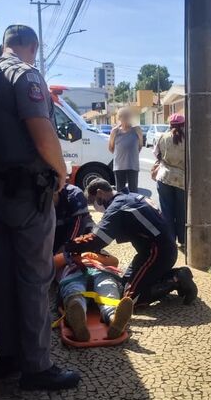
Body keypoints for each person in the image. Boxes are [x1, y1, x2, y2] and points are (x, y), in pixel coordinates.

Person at [0, 24, 80, 391]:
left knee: (3, 272)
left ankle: (10, 357)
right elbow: (41, 130)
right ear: (32, 47)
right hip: (26, 193)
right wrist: (62, 173)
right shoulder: (25, 74)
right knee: (34, 276)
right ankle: (36, 367)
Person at [62, 179, 198, 305]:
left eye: (93, 202)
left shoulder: (118, 207)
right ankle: (165, 277)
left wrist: (68, 246)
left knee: (129, 299)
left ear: (99, 193)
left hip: (157, 254)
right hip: (153, 251)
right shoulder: (129, 197)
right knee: (123, 285)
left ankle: (176, 278)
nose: (94, 206)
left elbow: (98, 240)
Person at [54, 251, 134, 342]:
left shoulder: (99, 250)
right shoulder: (65, 250)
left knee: (108, 286)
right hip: (75, 273)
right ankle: (77, 316)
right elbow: (52, 265)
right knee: (74, 289)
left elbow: (115, 262)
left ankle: (114, 318)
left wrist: (98, 257)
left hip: (101, 272)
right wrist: (69, 255)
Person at [153, 113, 187, 247]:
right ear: (184, 124)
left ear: (170, 125)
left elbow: (157, 154)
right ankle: (183, 240)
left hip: (164, 177)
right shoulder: (189, 138)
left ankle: (170, 240)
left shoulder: (163, 137)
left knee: (166, 211)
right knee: (182, 211)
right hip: (182, 179)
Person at [52, 184, 94, 254]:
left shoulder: (75, 194)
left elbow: (79, 223)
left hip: (82, 232)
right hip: (58, 233)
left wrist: (65, 248)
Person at [109, 107, 143, 193]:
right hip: (119, 166)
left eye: (127, 116)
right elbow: (111, 148)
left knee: (133, 192)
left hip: (133, 165)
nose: (125, 118)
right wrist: (121, 154)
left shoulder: (137, 130)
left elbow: (140, 146)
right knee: (120, 193)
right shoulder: (115, 131)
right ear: (119, 118)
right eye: (122, 116)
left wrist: (132, 154)